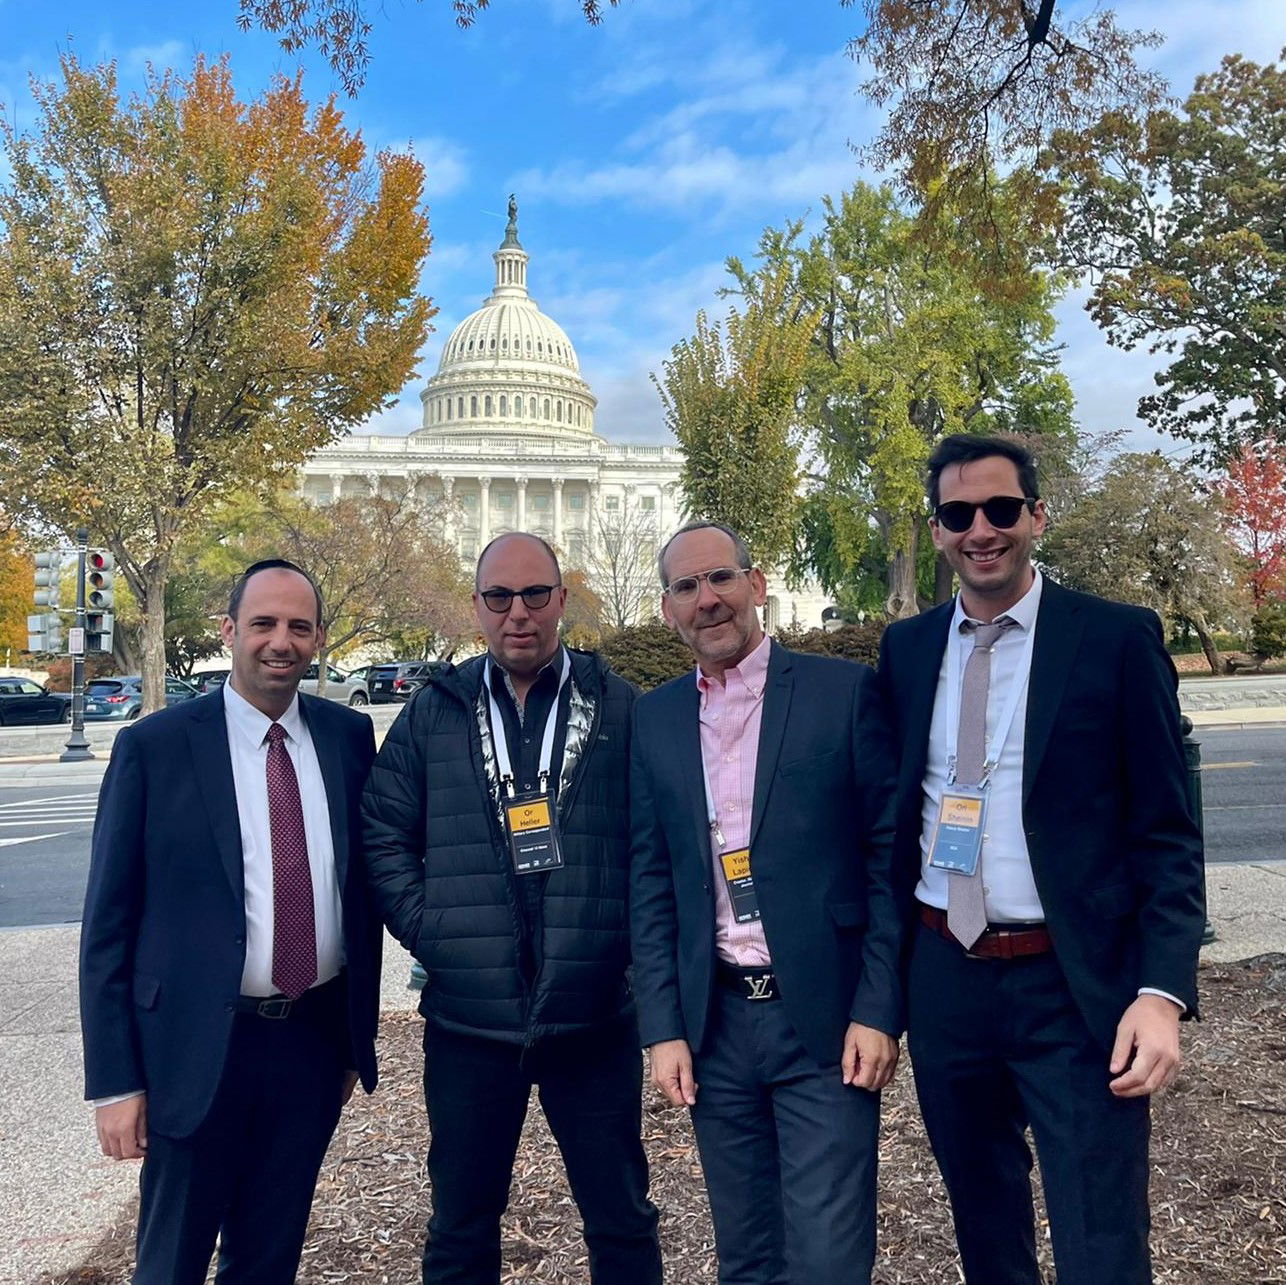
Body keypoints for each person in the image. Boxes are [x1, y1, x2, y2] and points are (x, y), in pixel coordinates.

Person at [878, 434, 1206, 1285]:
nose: (981, 529)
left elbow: (1168, 832)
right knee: (985, 1229)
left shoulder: (1115, 639)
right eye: (958, 514)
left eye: (1001, 509)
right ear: (940, 531)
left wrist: (1162, 991)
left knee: (1100, 1237)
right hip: (947, 975)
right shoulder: (907, 651)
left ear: (1036, 515)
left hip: (1074, 983)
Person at [361, 531, 662, 1285]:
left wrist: (615, 944)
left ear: (562, 599)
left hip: (591, 1018)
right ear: (477, 608)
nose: (518, 613)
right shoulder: (437, 711)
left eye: (535, 594)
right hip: (470, 1021)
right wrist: (438, 931)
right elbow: (382, 832)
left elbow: (656, 844)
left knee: (621, 1220)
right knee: (461, 1226)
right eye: (500, 597)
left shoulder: (619, 707)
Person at [79, 559, 382, 1285]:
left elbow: (362, 891)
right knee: (170, 1263)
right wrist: (115, 1081)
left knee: (267, 1259)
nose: (281, 641)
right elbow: (108, 925)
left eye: (299, 627)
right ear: (229, 631)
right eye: (264, 624)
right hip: (194, 1048)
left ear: (317, 640)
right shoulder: (153, 748)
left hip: (309, 1042)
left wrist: (350, 1040)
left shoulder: (347, 738)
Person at [629, 519, 905, 1284]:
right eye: (686, 587)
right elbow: (650, 882)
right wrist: (663, 1028)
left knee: (825, 1259)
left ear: (756, 585)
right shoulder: (652, 719)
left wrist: (880, 1006)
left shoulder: (839, 693)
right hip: (714, 1026)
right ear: (667, 609)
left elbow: (887, 859)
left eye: (720, 578)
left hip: (823, 1020)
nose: (706, 599)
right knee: (747, 1257)